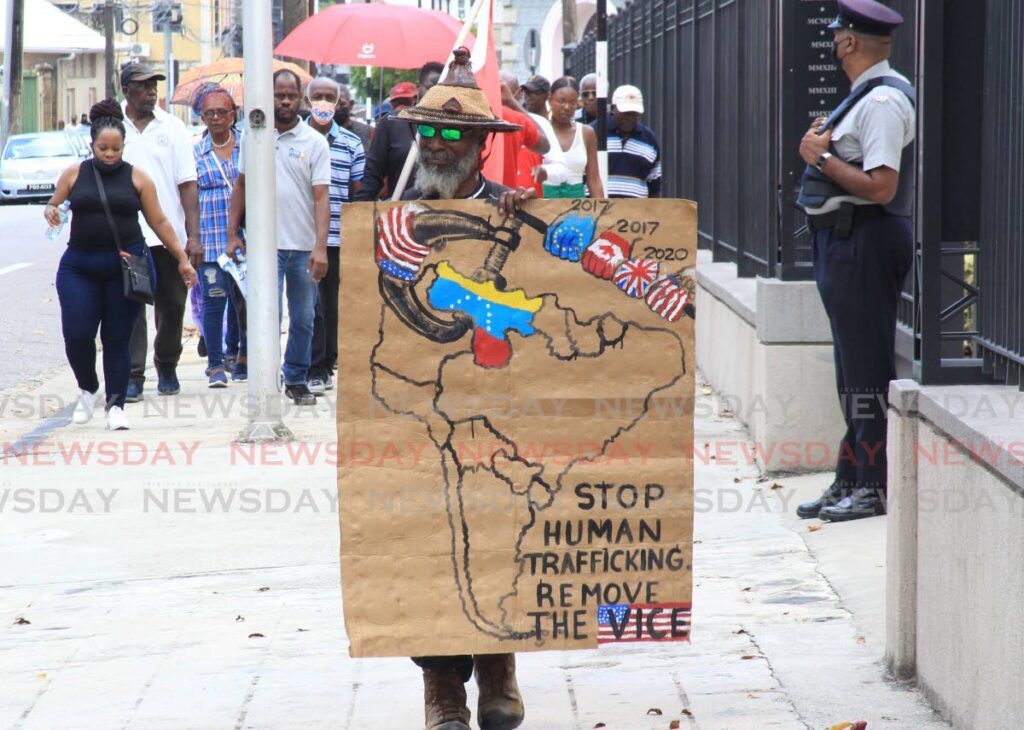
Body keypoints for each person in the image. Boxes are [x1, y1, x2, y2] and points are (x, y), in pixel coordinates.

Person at [379, 48, 536, 730]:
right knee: (425, 541)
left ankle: (499, 666)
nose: (439, 146)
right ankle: (442, 684)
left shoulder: (518, 217)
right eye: (429, 133)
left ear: (480, 145)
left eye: (454, 134)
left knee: (503, 534)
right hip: (418, 417)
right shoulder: (389, 222)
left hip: (501, 417)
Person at [795, 0, 915, 522]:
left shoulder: (883, 102)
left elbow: (882, 187)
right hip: (843, 242)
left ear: (847, 42)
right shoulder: (864, 96)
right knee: (851, 370)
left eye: (837, 34)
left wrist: (819, 157)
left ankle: (874, 486)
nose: (834, 41)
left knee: (865, 372)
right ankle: (851, 476)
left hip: (863, 240)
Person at [45, 99, 196, 431]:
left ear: (123, 147)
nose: (110, 154)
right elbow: (54, 205)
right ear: (92, 145)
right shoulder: (74, 174)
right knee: (77, 334)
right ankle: (88, 387)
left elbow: (160, 222)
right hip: (79, 266)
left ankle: (115, 406)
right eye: (103, 148)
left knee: (117, 338)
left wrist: (182, 259)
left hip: (125, 267)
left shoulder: (138, 179)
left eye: (116, 148)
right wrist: (52, 210)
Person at [226, 69, 331, 406]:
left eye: (291, 95)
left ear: (301, 99)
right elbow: (240, 185)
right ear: (269, 97)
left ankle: (296, 378)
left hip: (303, 247)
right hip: (264, 246)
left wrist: (320, 247)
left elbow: (321, 197)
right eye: (278, 95)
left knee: (303, 317)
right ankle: (265, 380)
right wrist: (232, 235)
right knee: (266, 316)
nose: (285, 101)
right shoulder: (253, 137)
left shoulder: (314, 142)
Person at [119, 62, 200, 401]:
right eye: (143, 85)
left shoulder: (174, 127)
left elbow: (188, 183)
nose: (152, 90)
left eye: (154, 84)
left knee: (171, 306)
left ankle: (167, 363)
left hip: (168, 237)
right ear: (126, 90)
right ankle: (134, 374)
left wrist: (192, 236)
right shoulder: (112, 127)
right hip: (128, 236)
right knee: (132, 308)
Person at [305, 76, 366, 395]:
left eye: (330, 96)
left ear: (339, 102)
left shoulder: (352, 144)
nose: (324, 102)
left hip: (338, 238)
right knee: (309, 306)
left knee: (331, 305)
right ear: (308, 101)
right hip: (302, 236)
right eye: (318, 96)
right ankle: (312, 366)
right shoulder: (294, 139)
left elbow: (357, 193)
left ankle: (326, 363)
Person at [192, 85, 248, 387]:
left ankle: (239, 357)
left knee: (244, 300)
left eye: (221, 112)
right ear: (203, 118)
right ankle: (215, 365)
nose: (215, 118)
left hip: (244, 239)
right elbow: (187, 198)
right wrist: (193, 239)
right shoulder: (195, 153)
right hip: (211, 239)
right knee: (215, 300)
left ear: (233, 115)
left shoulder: (246, 147)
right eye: (209, 113)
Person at [356, 61, 444, 201]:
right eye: (430, 88)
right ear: (418, 88)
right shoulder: (393, 123)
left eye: (442, 90)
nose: (436, 95)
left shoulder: (454, 127)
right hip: (399, 214)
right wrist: (360, 215)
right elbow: (372, 177)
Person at [597, 84, 661, 198]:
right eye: (626, 112)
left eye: (634, 113)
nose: (630, 117)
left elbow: (654, 186)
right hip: (597, 212)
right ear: (613, 108)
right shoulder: (594, 133)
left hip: (635, 213)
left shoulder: (650, 140)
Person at [544, 76, 604, 198]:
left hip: (578, 208)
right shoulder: (541, 130)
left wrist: (601, 212)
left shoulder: (586, 133)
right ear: (550, 100)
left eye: (572, 102)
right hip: (544, 205)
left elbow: (594, 180)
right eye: (561, 101)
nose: (567, 107)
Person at [497, 72, 550, 191]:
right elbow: (544, 144)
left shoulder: (470, 115)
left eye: (534, 93)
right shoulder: (518, 119)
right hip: (505, 197)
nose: (529, 97)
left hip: (506, 198)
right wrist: (512, 102)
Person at [335, 84, 372, 150]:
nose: (337, 108)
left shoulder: (368, 132)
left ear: (351, 104)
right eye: (334, 104)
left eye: (341, 104)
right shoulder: (319, 133)